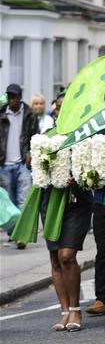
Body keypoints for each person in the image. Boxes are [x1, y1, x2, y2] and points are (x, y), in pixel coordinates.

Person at [42, 174, 94, 331]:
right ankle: (65, 312)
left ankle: (75, 310)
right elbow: (29, 162)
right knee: (55, 258)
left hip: (76, 200)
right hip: (49, 197)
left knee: (66, 256)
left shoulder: (77, 146)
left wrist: (79, 176)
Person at [1, 84, 41, 245]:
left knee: (23, 200)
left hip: (23, 163)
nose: (11, 100)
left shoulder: (30, 114)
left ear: (19, 97)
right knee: (9, 200)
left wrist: (31, 154)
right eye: (9, 97)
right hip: (4, 164)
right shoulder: (2, 113)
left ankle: (22, 235)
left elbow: (35, 136)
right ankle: (13, 232)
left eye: (14, 97)